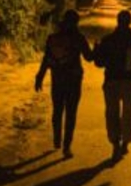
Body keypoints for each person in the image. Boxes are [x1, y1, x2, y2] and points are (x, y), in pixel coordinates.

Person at [92, 9, 131, 159]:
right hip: (129, 82)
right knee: (127, 113)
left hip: (111, 81)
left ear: (118, 21)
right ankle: (125, 141)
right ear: (130, 22)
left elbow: (99, 63)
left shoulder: (107, 40)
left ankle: (115, 142)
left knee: (111, 113)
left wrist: (96, 50)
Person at [35, 9, 94, 157]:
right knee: (71, 113)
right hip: (74, 81)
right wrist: (97, 49)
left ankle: (56, 138)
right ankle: (67, 147)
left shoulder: (53, 38)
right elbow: (89, 57)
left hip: (57, 79)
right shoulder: (79, 38)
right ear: (76, 22)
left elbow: (46, 59)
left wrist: (40, 76)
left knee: (57, 110)